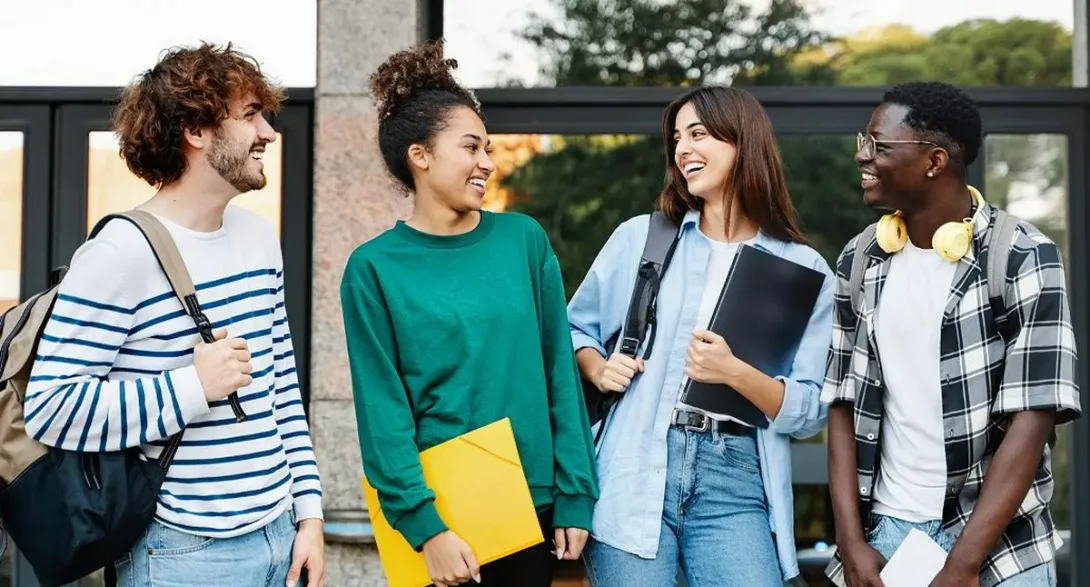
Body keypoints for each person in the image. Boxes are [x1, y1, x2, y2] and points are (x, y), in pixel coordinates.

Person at [23, 43, 326, 586]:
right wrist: (192, 386)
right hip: (182, 553)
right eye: (251, 114)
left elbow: (281, 388)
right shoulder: (120, 252)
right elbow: (50, 408)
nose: (269, 133)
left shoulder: (259, 238)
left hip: (280, 537)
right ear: (197, 130)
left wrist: (308, 514)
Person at [339, 41, 599, 587]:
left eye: (488, 148)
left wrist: (576, 492)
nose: (488, 161)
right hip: (442, 516)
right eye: (471, 147)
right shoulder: (373, 269)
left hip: (533, 508)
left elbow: (559, 369)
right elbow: (383, 414)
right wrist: (426, 528)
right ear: (421, 155)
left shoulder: (523, 241)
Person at [567, 86, 834, 586]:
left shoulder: (802, 269)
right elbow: (572, 327)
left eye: (699, 134)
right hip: (635, 467)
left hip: (735, 477)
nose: (682, 149)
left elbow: (811, 410)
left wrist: (734, 373)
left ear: (743, 142)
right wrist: (598, 367)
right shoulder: (640, 239)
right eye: (676, 138)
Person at [822, 81, 1080, 587]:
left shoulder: (1023, 254)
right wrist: (851, 543)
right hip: (885, 540)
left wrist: (962, 563)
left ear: (934, 161)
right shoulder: (859, 260)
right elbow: (840, 403)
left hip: (1000, 549)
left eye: (878, 144)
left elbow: (1033, 419)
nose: (861, 156)